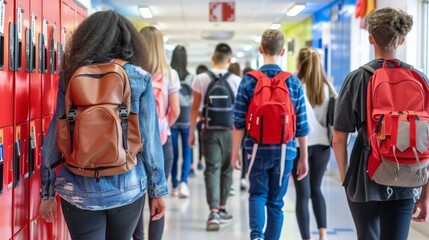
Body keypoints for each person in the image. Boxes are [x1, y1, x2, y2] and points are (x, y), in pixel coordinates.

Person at [38, 10, 167, 240]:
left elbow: (54, 138)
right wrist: (157, 191)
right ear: (129, 42)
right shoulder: (138, 76)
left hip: (77, 187)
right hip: (126, 186)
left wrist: (47, 192)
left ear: (86, 39)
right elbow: (150, 142)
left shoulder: (71, 76)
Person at [332, 8, 429, 240]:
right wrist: (425, 194)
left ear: (370, 38)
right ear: (402, 39)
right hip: (407, 175)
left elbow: (339, 138)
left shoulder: (357, 78)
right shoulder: (420, 79)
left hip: (365, 177)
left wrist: (347, 180)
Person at [231, 29, 309, 240]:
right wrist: (304, 157)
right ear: (283, 51)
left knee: (257, 194)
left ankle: (256, 236)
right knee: (276, 202)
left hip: (255, 149)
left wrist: (234, 153)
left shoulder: (248, 81)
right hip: (286, 151)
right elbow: (301, 124)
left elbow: (238, 123)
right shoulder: (292, 82)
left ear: (260, 49)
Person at [134, 26, 181, 240]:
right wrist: (161, 127)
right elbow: (175, 110)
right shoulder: (171, 74)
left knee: (134, 200)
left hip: (135, 146)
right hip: (162, 145)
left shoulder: (133, 72)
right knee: (157, 198)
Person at [188, 43, 241, 231]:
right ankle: (222, 207)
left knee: (212, 169)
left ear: (212, 58)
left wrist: (191, 132)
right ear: (229, 60)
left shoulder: (201, 78)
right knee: (227, 169)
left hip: (208, 130)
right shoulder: (236, 80)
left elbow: (194, 107)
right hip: (229, 131)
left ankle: (213, 212)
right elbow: (239, 113)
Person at [292, 47, 334, 240]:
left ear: (299, 64)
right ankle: (323, 235)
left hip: (300, 145)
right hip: (323, 145)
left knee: (303, 194)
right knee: (316, 190)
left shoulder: (296, 87)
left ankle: (306, 238)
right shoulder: (327, 88)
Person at [170, 45, 194, 198]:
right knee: (187, 152)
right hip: (187, 120)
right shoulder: (191, 77)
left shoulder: (169, 75)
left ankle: (174, 184)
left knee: (173, 154)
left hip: (172, 119)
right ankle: (184, 183)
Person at [194, 64, 209, 173]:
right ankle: (206, 161)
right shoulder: (209, 84)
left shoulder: (197, 84)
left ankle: (199, 161)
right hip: (209, 119)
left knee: (200, 141)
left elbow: (194, 106)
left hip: (199, 119)